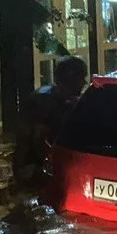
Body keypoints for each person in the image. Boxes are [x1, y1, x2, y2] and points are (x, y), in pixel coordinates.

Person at [15, 55, 88, 190]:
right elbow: (40, 143)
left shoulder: (54, 97)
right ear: (70, 80)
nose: (84, 82)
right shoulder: (45, 103)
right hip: (34, 170)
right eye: (81, 78)